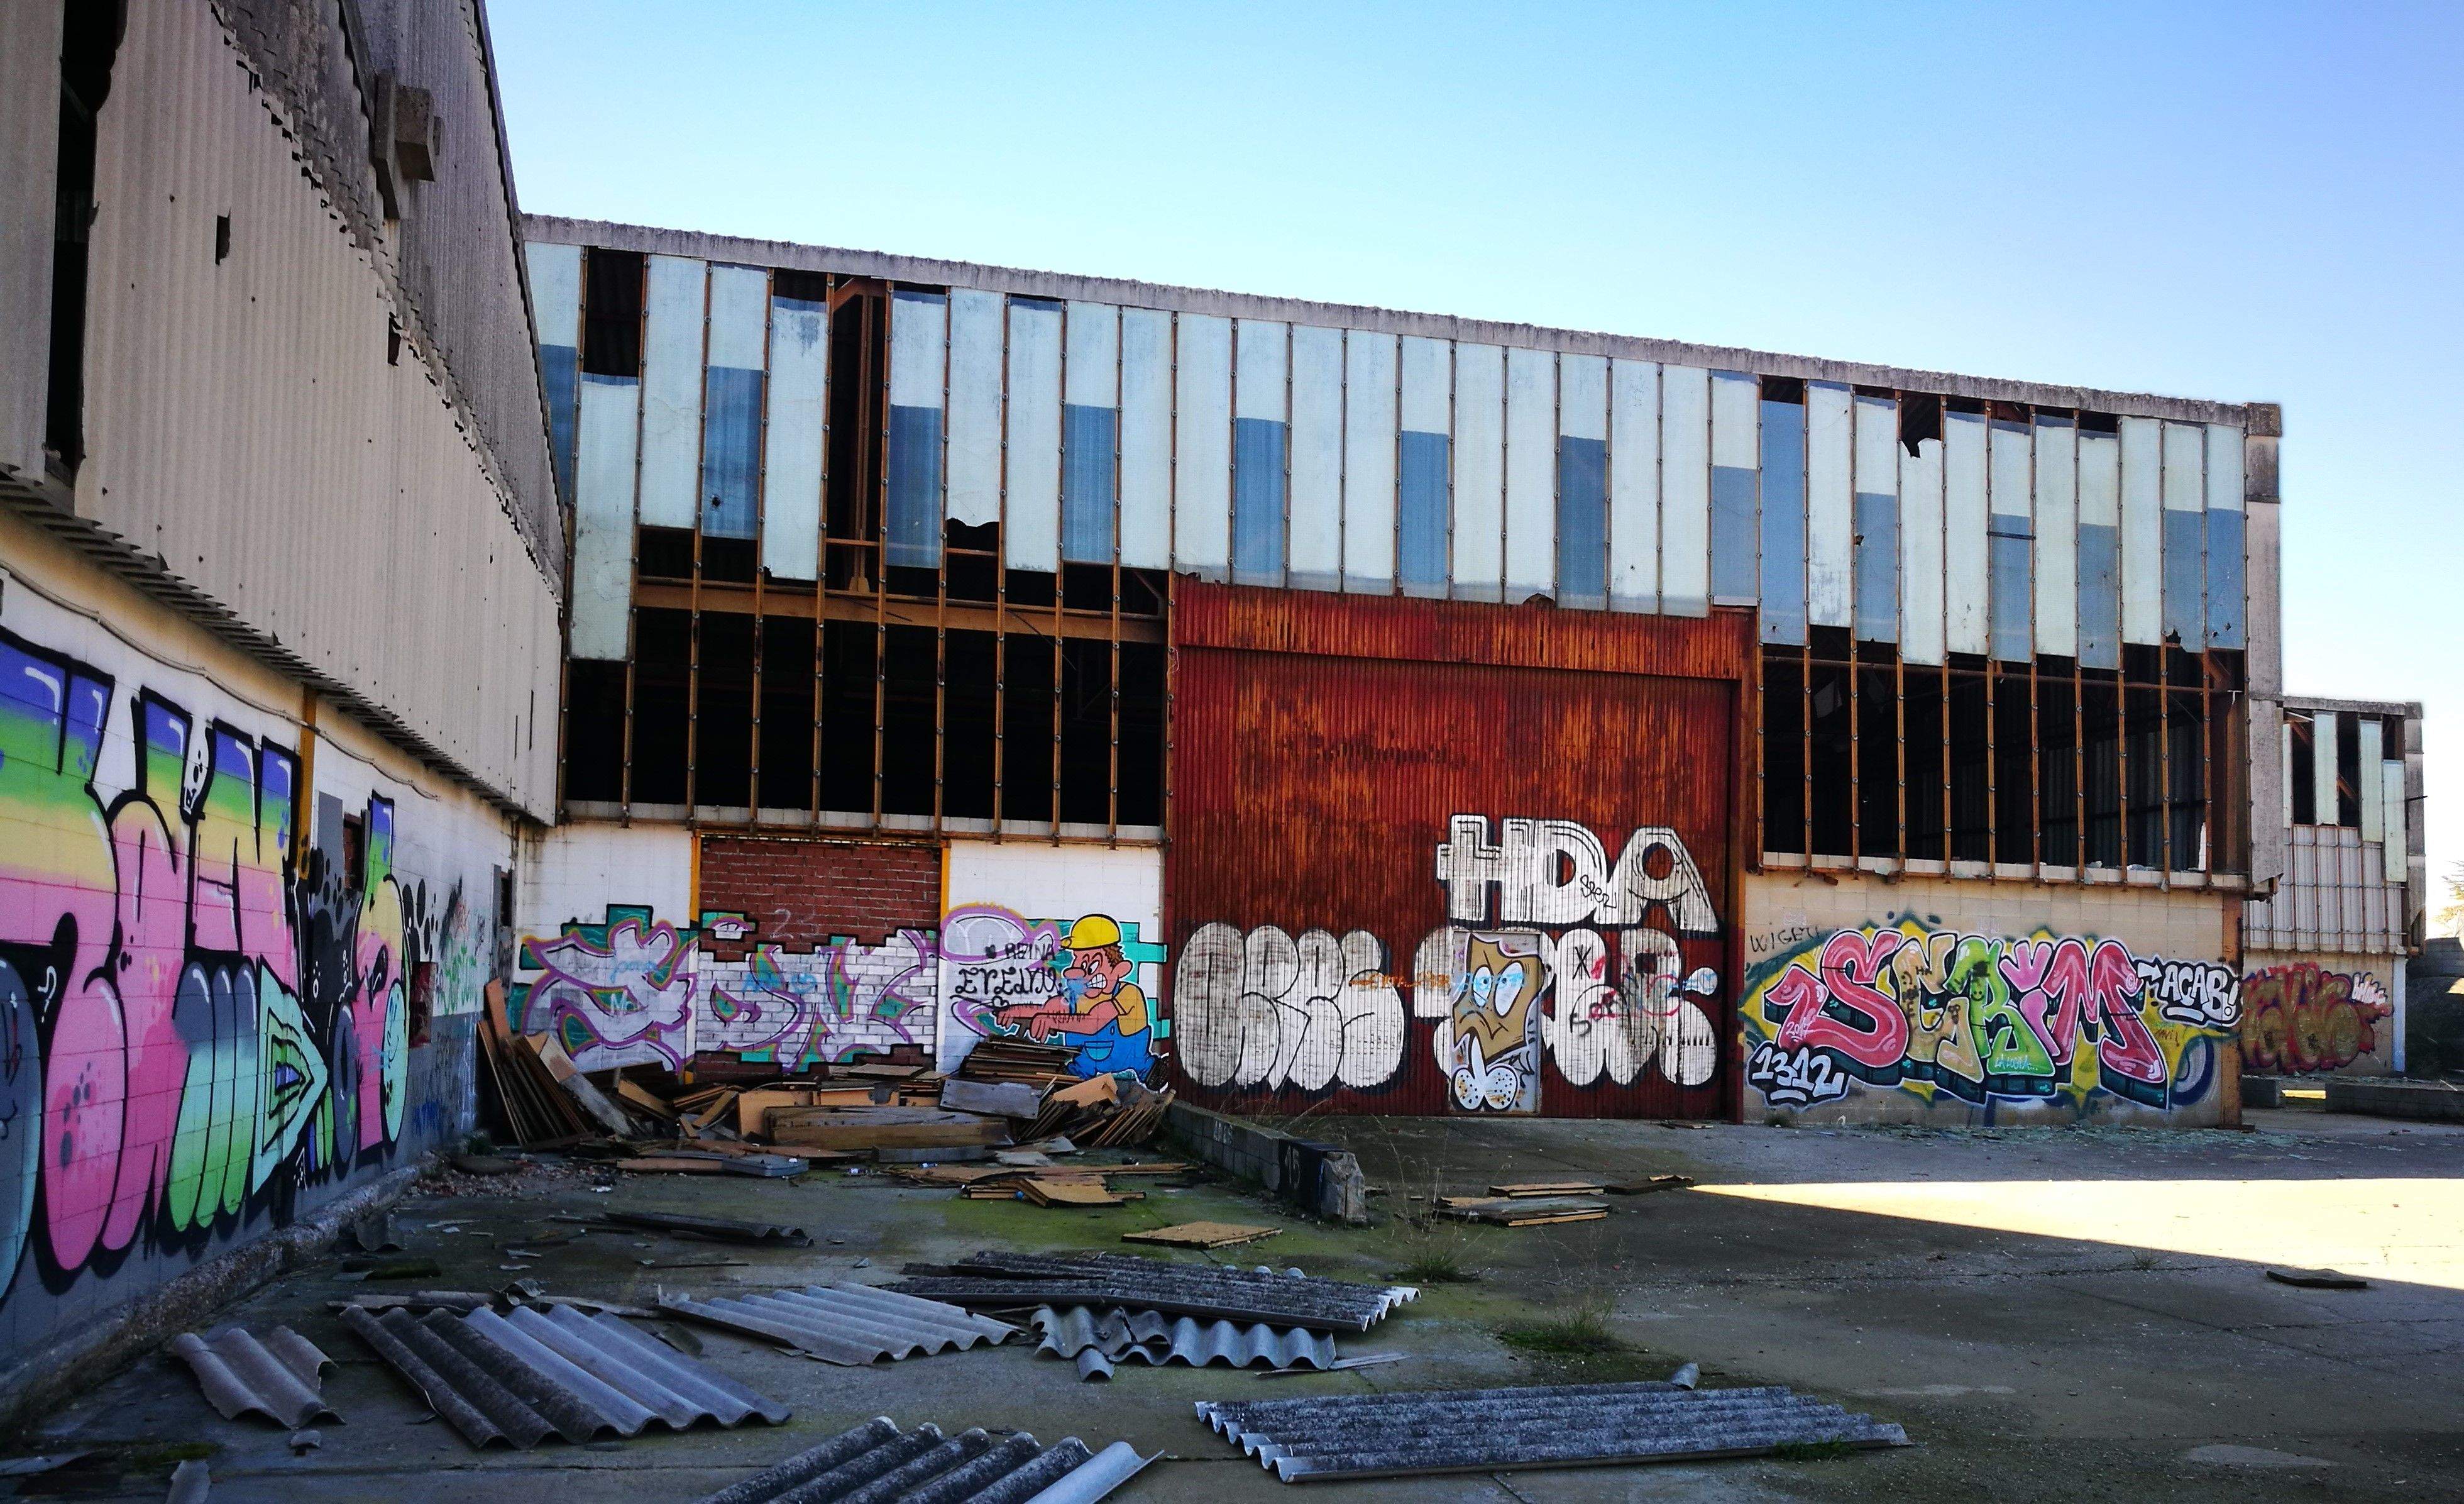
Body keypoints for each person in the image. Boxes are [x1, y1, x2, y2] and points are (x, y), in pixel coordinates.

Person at [1023, 914, 1153, 1079]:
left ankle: (1149, 1070)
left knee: (1143, 1064)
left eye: (1091, 965)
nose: (1079, 972)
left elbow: (1093, 1023)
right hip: (1085, 1067)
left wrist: (1049, 1020)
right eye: (1077, 963)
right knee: (1075, 1073)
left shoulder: (1128, 994)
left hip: (1130, 1061)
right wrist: (1017, 1012)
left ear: (1120, 969)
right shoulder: (1078, 996)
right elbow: (1050, 1009)